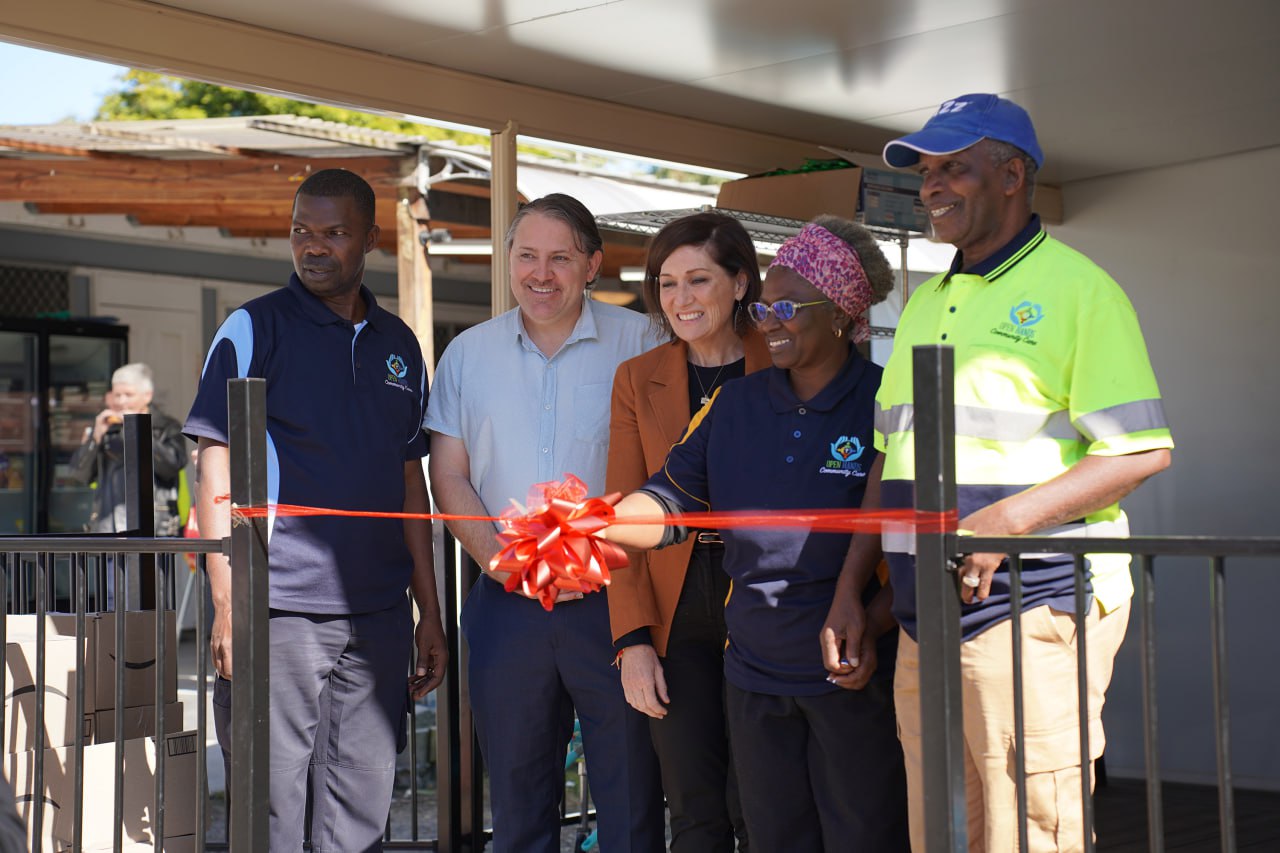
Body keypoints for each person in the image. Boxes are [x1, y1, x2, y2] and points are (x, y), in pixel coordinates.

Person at [823, 94, 1175, 853]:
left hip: (1033, 605)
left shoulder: (1081, 290)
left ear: (1013, 176)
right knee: (940, 834)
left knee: (1032, 834)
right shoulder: (925, 303)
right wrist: (854, 590)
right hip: (921, 617)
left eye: (954, 168)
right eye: (925, 173)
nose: (931, 187)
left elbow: (1141, 449)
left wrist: (1004, 522)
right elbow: (888, 456)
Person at [604, 217, 909, 851]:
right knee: (773, 837)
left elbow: (912, 544)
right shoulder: (734, 404)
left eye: (788, 307)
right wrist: (591, 524)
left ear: (841, 315)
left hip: (850, 672)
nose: (769, 321)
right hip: (753, 674)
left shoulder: (886, 402)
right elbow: (668, 501)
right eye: (766, 307)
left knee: (862, 836)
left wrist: (872, 622)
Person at [184, 168, 447, 852]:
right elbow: (214, 461)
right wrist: (228, 602)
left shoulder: (399, 345)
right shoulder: (254, 327)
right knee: (272, 812)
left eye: (334, 233)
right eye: (302, 231)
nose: (314, 246)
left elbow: (410, 483)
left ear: (371, 239)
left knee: (361, 810)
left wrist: (429, 610)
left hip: (379, 614)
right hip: (279, 610)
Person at [426, 193, 666, 853]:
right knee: (518, 802)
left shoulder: (644, 341)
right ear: (507, 261)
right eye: (527, 255)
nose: (541, 273)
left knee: (632, 796)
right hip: (507, 602)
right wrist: (505, 561)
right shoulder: (467, 354)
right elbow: (449, 475)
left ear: (593, 265)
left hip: (618, 605)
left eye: (560, 257)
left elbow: (669, 470)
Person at [606, 212, 767, 851]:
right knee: (695, 813)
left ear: (740, 283)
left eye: (698, 279)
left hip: (763, 595)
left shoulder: (783, 360)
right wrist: (632, 640)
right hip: (674, 609)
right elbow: (620, 516)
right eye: (667, 283)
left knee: (764, 803)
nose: (681, 299)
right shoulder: (636, 376)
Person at [69, 362, 189, 536]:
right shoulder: (106, 427)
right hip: (108, 527)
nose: (121, 401)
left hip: (155, 528)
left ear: (147, 396)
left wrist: (135, 428)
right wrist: (95, 438)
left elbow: (171, 466)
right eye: (117, 395)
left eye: (128, 395)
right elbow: (80, 475)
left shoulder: (165, 427)